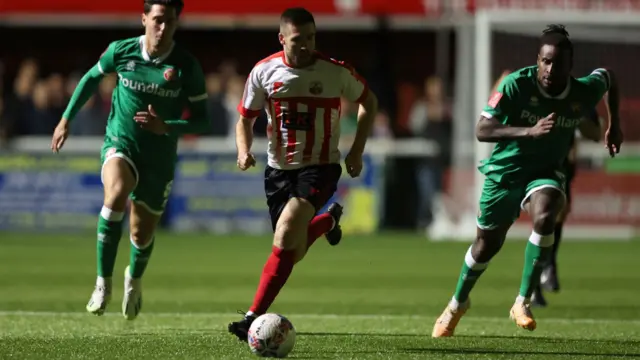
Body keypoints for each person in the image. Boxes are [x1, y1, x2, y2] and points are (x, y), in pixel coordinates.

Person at [431, 24, 622, 337]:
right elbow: (482, 130)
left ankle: (523, 300)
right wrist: (527, 132)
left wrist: (613, 125)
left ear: (569, 66)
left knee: (547, 214)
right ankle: (456, 304)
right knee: (485, 245)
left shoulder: (582, 90)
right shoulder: (515, 84)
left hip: (546, 170)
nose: (549, 69)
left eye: (556, 63)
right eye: (544, 61)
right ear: (537, 60)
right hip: (505, 171)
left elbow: (610, 76)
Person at [50, 0, 211, 320]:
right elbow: (91, 78)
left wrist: (166, 126)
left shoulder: (186, 66)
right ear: (144, 19)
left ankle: (133, 280)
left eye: (170, 22)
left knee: (141, 233)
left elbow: (203, 121)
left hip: (159, 157)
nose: (163, 28)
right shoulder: (121, 51)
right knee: (117, 191)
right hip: (121, 143)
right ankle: (102, 282)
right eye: (158, 20)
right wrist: (66, 118)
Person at [227, 7, 378, 341]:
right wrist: (243, 150)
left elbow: (370, 102)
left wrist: (356, 150)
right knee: (291, 249)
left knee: (284, 236)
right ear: (282, 39)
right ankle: (328, 221)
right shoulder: (264, 72)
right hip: (278, 172)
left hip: (320, 168)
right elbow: (244, 119)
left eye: (311, 37)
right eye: (299, 40)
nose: (307, 45)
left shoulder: (334, 72)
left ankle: (252, 317)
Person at [531, 106, 602, 307]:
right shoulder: (526, 86)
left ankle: (546, 268)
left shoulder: (579, 96)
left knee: (556, 215)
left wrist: (574, 118)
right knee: (544, 218)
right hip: (532, 160)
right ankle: (540, 276)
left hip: (561, 164)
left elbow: (595, 133)